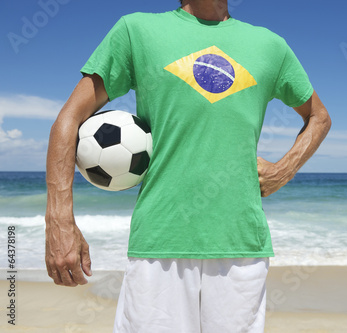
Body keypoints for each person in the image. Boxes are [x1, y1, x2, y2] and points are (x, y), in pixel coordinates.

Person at [45, 0, 331, 332]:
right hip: (159, 245)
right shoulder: (137, 31)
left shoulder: (271, 46)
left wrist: (284, 169)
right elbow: (69, 119)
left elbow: (318, 118)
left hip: (240, 247)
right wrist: (59, 220)